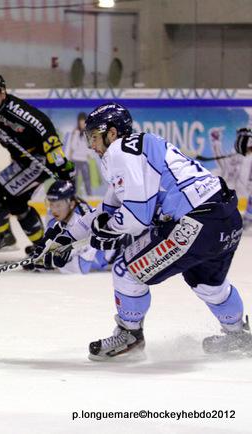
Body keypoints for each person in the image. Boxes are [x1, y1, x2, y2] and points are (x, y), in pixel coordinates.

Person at [58, 102, 250, 361]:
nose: (92, 145)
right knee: (209, 285)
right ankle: (237, 334)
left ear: (112, 133)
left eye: (94, 137)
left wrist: (106, 231)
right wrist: (65, 237)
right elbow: (107, 208)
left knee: (126, 270)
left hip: (193, 223)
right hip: (226, 219)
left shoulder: (119, 152)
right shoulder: (139, 146)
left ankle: (130, 335)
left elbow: (137, 218)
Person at [0, 72, 75, 252]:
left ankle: (34, 243)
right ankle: (13, 239)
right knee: (1, 196)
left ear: (3, 92)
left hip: (39, 160)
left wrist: (60, 164)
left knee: (5, 197)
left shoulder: (17, 110)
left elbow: (46, 129)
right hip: (22, 161)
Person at [25, 180, 118, 274]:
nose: (54, 210)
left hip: (111, 252)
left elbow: (80, 268)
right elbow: (51, 240)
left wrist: (49, 263)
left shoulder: (82, 222)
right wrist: (43, 251)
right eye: (51, 204)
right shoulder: (53, 214)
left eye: (58, 205)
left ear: (71, 204)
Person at [65, 112, 94, 196]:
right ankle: (73, 195)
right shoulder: (76, 132)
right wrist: (76, 134)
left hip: (84, 160)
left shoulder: (88, 133)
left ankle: (90, 196)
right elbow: (73, 146)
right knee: (75, 179)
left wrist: (88, 154)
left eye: (83, 122)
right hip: (75, 159)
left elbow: (90, 146)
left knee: (87, 179)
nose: (82, 124)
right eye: (80, 122)